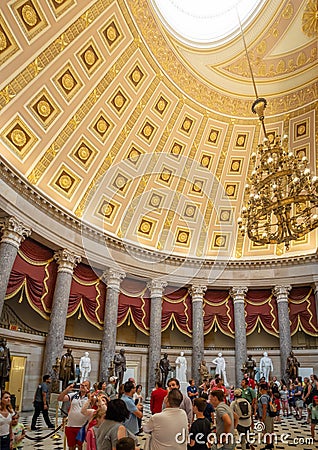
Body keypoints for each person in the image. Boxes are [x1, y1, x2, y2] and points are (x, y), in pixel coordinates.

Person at [58, 380, 90, 450]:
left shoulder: (90, 397)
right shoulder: (74, 395)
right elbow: (60, 398)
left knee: (80, 446)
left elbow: (93, 403)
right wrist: (67, 390)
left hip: (82, 427)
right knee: (71, 446)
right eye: (82, 384)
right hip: (71, 425)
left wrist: (88, 392)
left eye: (86, 385)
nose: (83, 386)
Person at [257, 383, 274, 450]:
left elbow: (264, 408)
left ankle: (268, 444)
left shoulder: (263, 397)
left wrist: (263, 418)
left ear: (262, 389)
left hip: (266, 416)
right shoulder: (267, 396)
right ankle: (271, 443)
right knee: (270, 430)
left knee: (267, 431)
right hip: (269, 416)